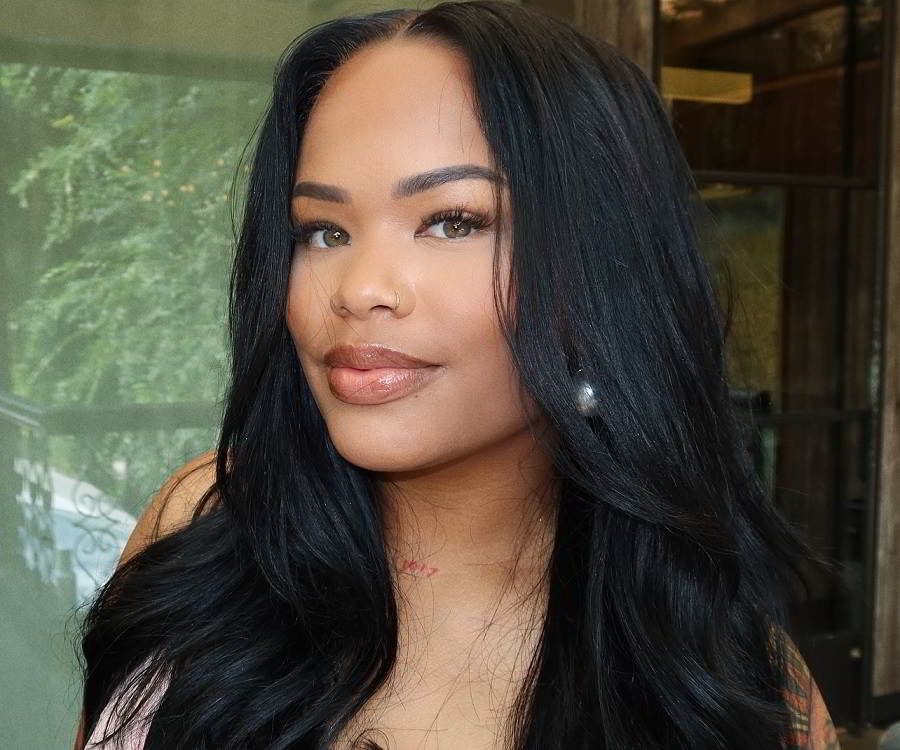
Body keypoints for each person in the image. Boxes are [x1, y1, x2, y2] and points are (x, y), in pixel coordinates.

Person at [73, 1, 842, 748]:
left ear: (604, 269)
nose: (359, 289)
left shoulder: (732, 678)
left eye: (452, 221)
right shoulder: (204, 522)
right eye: (324, 231)